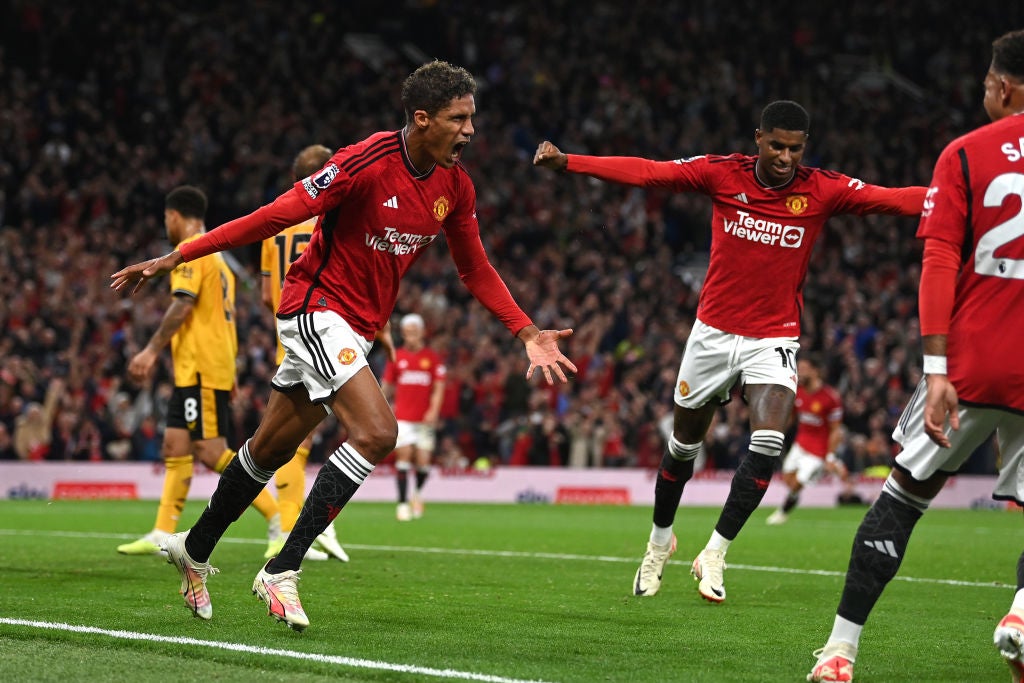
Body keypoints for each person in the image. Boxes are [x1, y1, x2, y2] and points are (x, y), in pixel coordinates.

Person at [111, 60, 576, 630]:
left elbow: (474, 268)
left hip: (355, 326)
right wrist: (178, 255)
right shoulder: (363, 162)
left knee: (268, 450)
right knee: (380, 432)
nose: (470, 131)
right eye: (459, 119)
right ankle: (282, 569)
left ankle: (196, 547)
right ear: (422, 118)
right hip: (314, 307)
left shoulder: (455, 186)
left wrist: (527, 331)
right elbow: (273, 216)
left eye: (472, 118)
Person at [534, 100, 927, 603]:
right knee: (683, 448)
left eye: (796, 148)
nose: (786, 157)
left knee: (768, 442)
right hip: (712, 336)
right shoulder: (723, 174)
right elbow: (650, 174)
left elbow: (895, 199)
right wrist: (570, 162)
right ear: (758, 138)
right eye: (777, 145)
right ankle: (659, 542)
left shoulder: (822, 188)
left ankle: (716, 551)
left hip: (774, 338)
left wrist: (969, 193)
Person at [808, 29, 1024, 682]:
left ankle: (840, 651)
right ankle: (1020, 611)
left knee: (902, 497)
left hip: (974, 362)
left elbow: (937, 261)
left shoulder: (964, 154)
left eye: (988, 84)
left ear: (1005, 89)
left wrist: (935, 372)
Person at [116, 186, 282, 557]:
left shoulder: (192, 251)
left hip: (201, 368)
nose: (165, 224)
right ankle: (162, 530)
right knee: (175, 445)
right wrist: (233, 372)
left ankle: (278, 521)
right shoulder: (219, 258)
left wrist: (150, 350)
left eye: (165, 218)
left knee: (211, 452)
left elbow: (183, 305)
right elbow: (224, 319)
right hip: (199, 368)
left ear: (175, 215)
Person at [259, 144, 349, 563]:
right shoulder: (333, 219)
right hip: (328, 327)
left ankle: (306, 526)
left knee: (295, 438)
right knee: (305, 439)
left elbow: (264, 295)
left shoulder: (278, 225)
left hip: (289, 329)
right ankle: (296, 527)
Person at [766, 353, 848, 525]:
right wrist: (776, 434)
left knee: (797, 485)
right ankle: (796, 496)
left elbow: (836, 430)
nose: (800, 372)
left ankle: (782, 512)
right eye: (799, 369)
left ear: (816, 371)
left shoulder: (830, 398)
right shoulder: (798, 392)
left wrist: (830, 455)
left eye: (804, 369)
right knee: (788, 480)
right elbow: (791, 417)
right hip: (800, 444)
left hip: (818, 451)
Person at [381, 312, 446, 521]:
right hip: (403, 418)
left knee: (424, 462)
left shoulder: (432, 358)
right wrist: (381, 407)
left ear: (421, 333)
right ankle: (402, 504)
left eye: (414, 332)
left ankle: (417, 494)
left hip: (424, 419)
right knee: (404, 455)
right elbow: (387, 386)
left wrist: (434, 410)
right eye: (407, 332)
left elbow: (439, 386)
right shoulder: (396, 357)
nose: (411, 336)